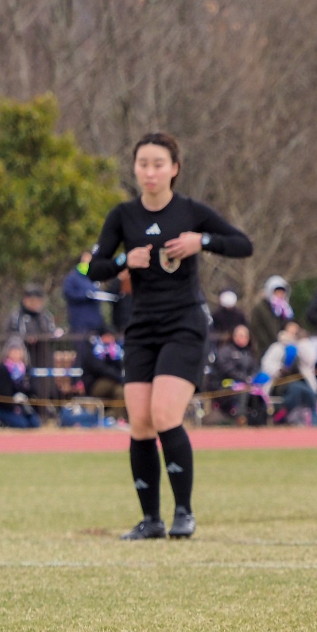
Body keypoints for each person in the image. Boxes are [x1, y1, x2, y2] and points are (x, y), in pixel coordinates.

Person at [86, 132, 252, 541]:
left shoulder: (191, 211)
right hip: (142, 327)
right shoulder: (123, 215)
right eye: (143, 164)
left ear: (174, 169)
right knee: (140, 424)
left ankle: (183, 513)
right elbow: (93, 269)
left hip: (184, 324)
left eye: (158, 164)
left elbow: (242, 244)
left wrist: (202, 241)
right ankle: (151, 520)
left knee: (164, 416)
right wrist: (124, 260)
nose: (150, 172)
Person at [211, 323, 263, 424]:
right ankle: (240, 418)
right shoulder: (225, 351)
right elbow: (227, 369)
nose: (242, 338)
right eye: (240, 335)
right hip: (225, 385)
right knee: (242, 391)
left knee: (258, 392)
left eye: (245, 336)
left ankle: (259, 421)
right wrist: (245, 379)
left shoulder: (250, 352)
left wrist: (251, 378)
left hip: (247, 384)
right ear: (234, 336)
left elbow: (255, 368)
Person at [6, 284, 61, 370]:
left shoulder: (46, 316)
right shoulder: (17, 316)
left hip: (44, 358)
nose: (35, 303)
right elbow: (13, 335)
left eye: (38, 301)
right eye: (32, 300)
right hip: (25, 358)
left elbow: (51, 331)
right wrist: (26, 339)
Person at [63, 252, 111, 333]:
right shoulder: (71, 278)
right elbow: (68, 294)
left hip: (96, 321)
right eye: (85, 261)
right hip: (79, 321)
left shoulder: (93, 277)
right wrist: (86, 295)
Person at [249, 275, 293, 358]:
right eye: (277, 292)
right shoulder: (260, 308)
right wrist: (271, 343)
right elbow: (256, 328)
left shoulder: (286, 309)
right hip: (266, 347)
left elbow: (288, 324)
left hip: (284, 345)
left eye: (282, 292)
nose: (280, 295)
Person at [77, 328, 125, 404]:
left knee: (121, 392)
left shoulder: (115, 349)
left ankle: (114, 412)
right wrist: (120, 378)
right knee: (120, 388)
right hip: (95, 383)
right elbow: (100, 368)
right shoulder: (93, 349)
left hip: (114, 381)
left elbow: (120, 366)